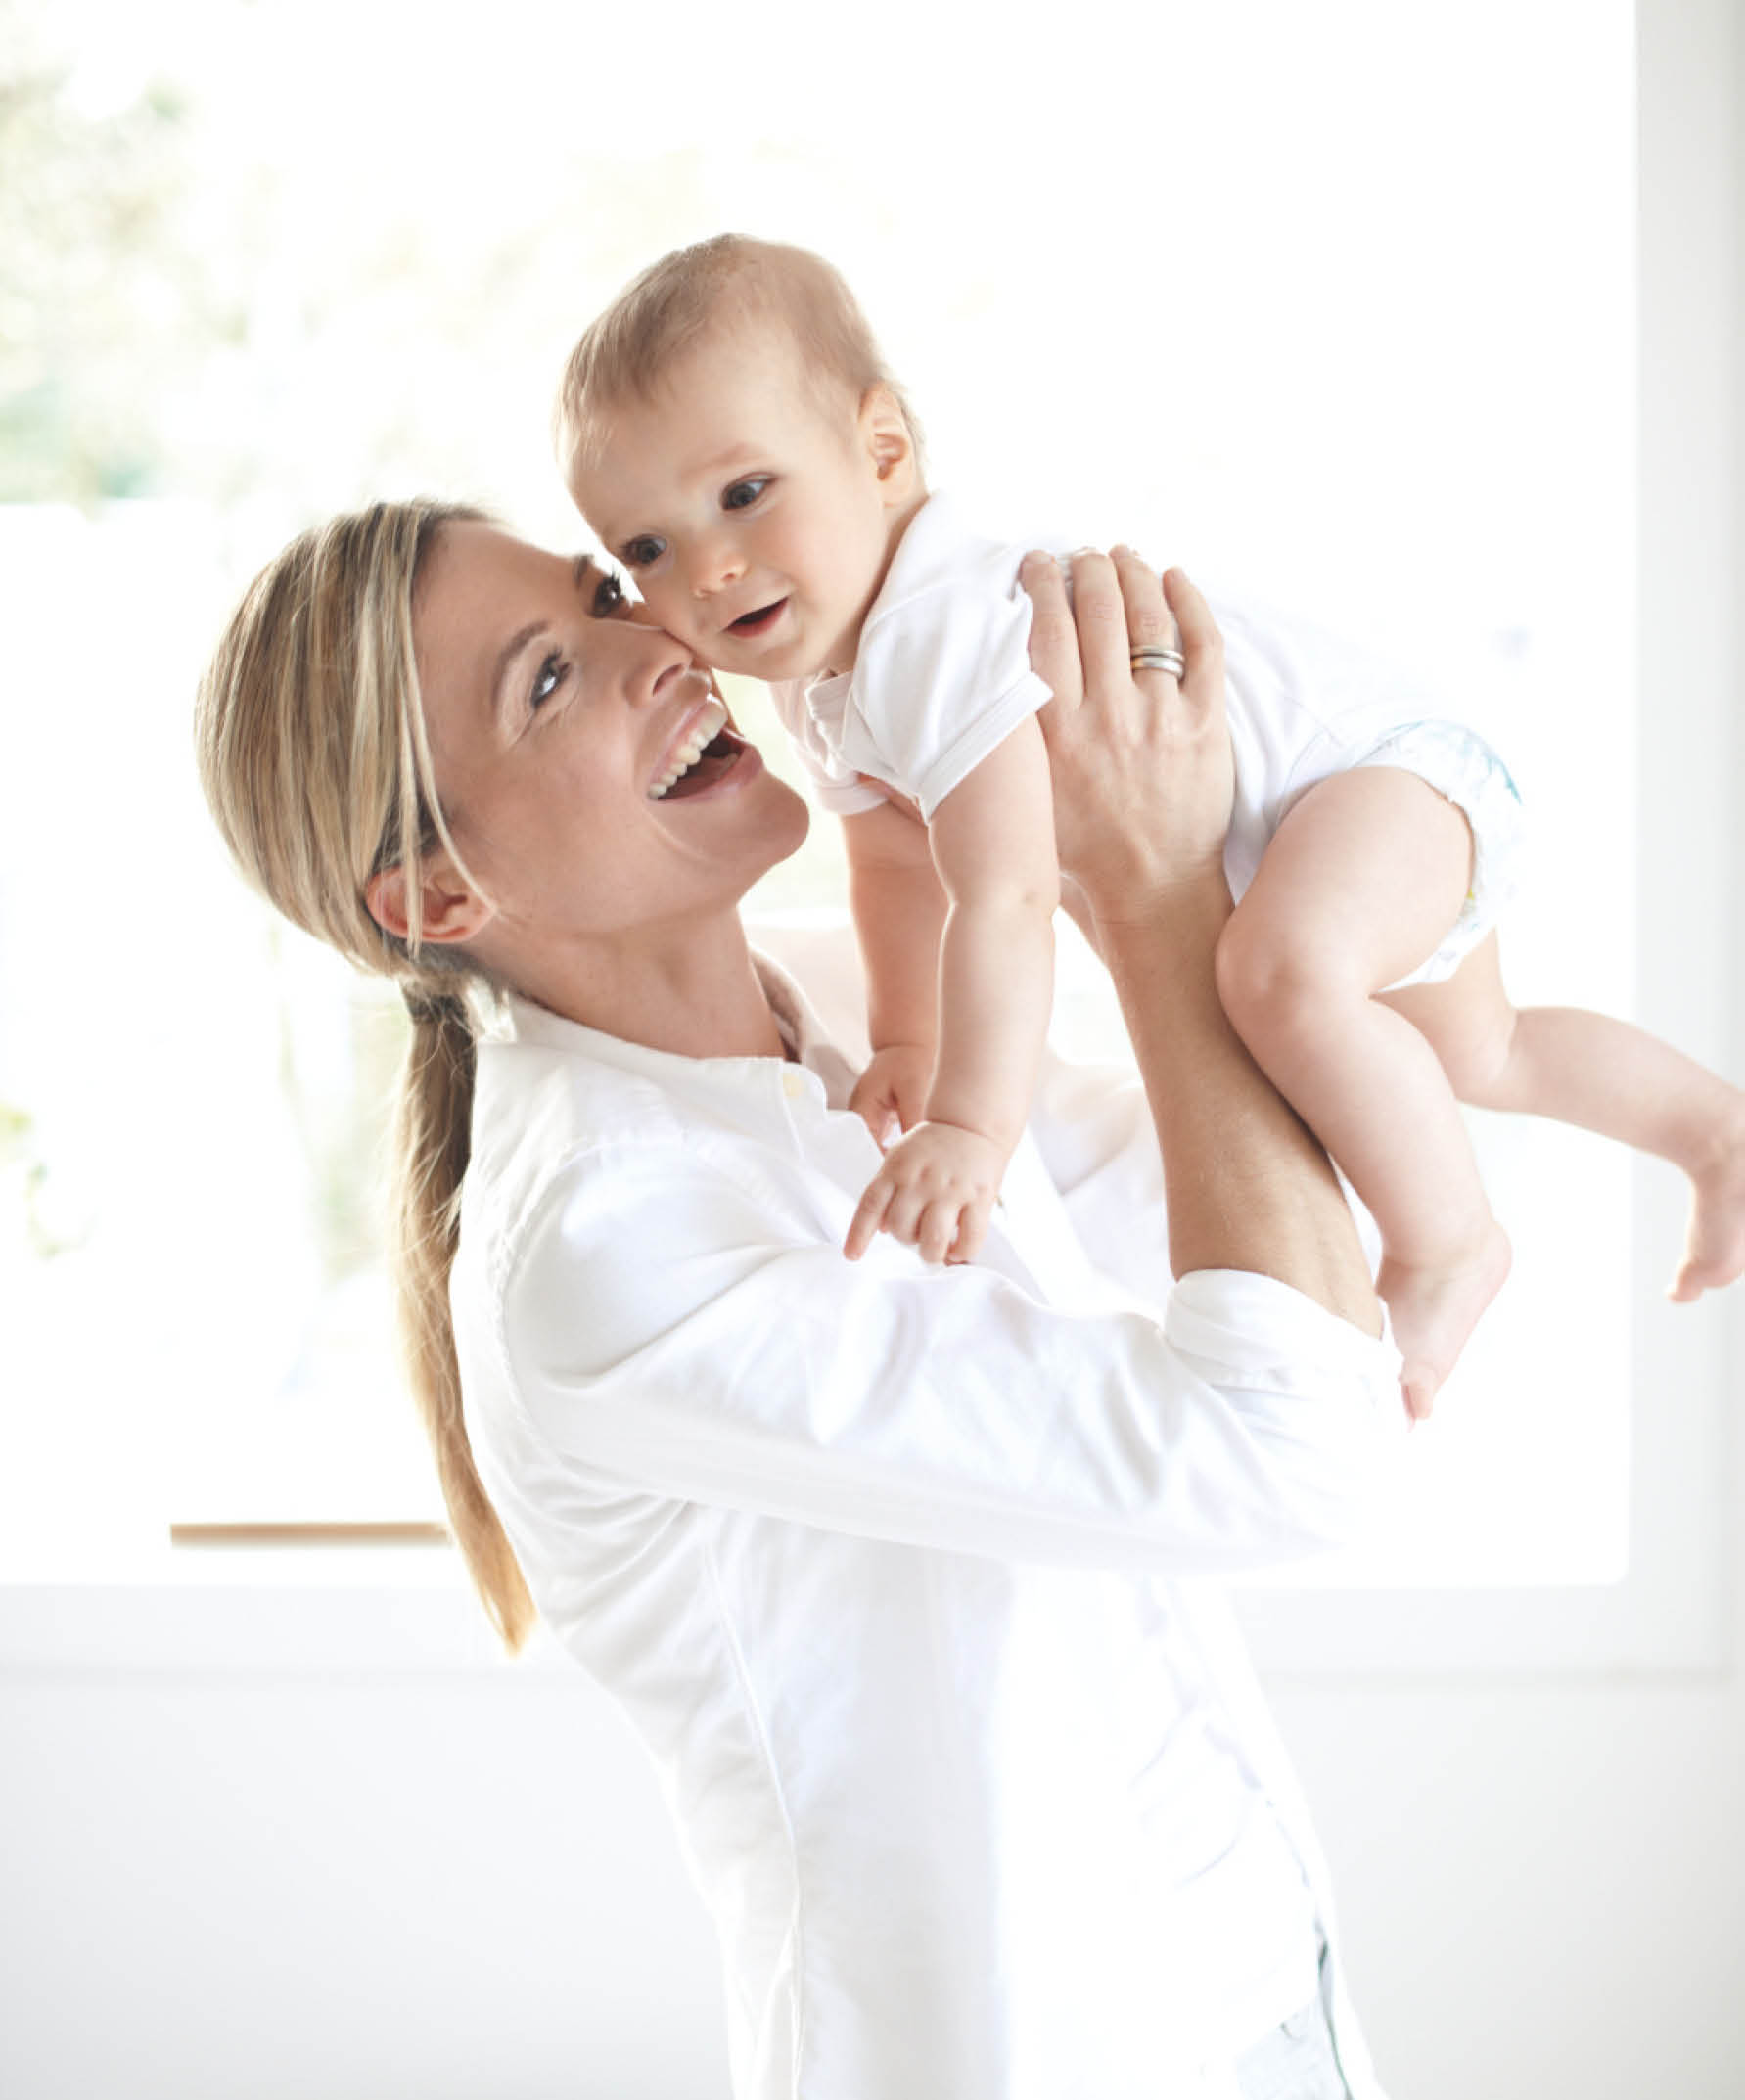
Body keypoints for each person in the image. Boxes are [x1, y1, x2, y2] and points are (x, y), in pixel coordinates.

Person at [197, 507, 1407, 2099]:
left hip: (1258, 1963)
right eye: (549, 678)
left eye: (606, 596)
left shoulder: (854, 996)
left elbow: (1292, 1224)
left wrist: (1226, 833)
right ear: (435, 896)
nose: (656, 644)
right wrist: (1158, 891)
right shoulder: (606, 1244)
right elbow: (1286, 1442)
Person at [556, 233, 1745, 1417]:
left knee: (1279, 978)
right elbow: (896, 863)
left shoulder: (932, 628)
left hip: (1360, 777)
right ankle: (1713, 1129)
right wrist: (910, 1042)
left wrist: (970, 1123)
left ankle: (1448, 1247)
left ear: (881, 450)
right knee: (1484, 1052)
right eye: (646, 549)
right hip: (1337, 816)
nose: (707, 570)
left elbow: (1005, 895)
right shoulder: (825, 684)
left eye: (744, 494)